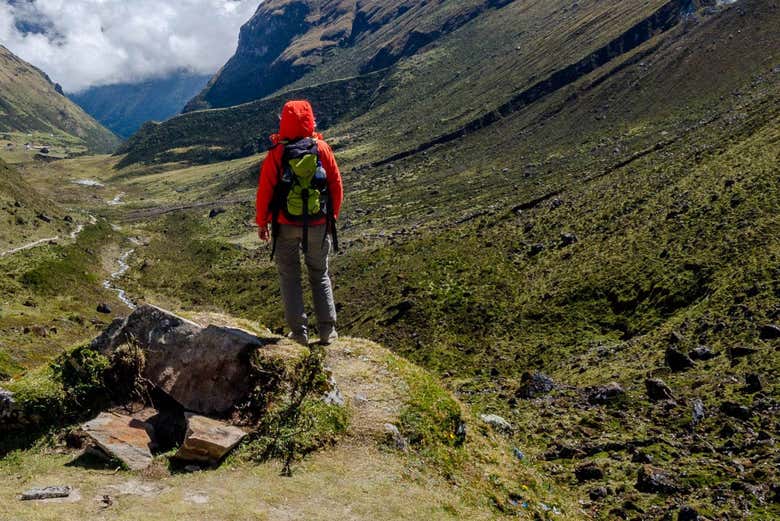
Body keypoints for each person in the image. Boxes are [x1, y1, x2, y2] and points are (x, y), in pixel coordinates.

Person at [256, 100, 343, 346]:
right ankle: (328, 332)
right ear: (310, 119)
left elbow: (265, 191)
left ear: (284, 121)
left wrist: (262, 223)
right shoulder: (322, 149)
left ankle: (299, 334)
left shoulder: (277, 153)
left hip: (284, 225)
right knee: (320, 274)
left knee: (290, 277)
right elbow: (336, 185)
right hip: (317, 223)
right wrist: (331, 217)